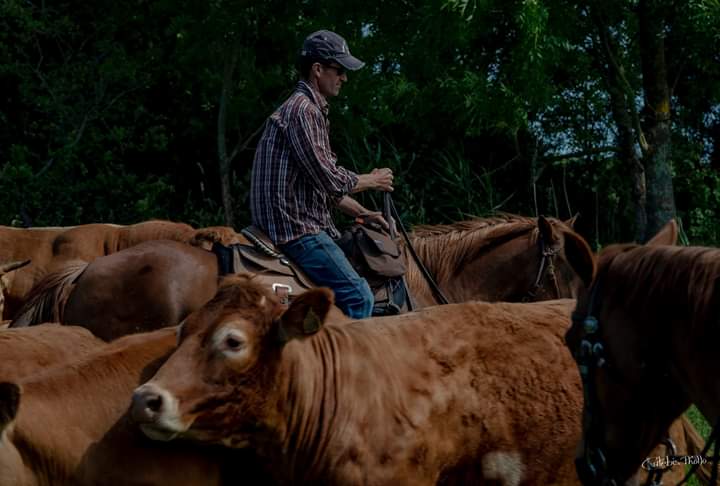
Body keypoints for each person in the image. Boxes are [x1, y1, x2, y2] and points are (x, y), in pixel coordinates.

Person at [250, 29, 394, 319]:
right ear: (317, 69)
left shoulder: (304, 109)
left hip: (290, 224)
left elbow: (322, 188)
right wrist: (373, 180)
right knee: (359, 295)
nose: (344, 78)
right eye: (339, 70)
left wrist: (364, 213)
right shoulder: (304, 111)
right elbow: (330, 178)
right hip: (295, 230)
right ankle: (341, 350)